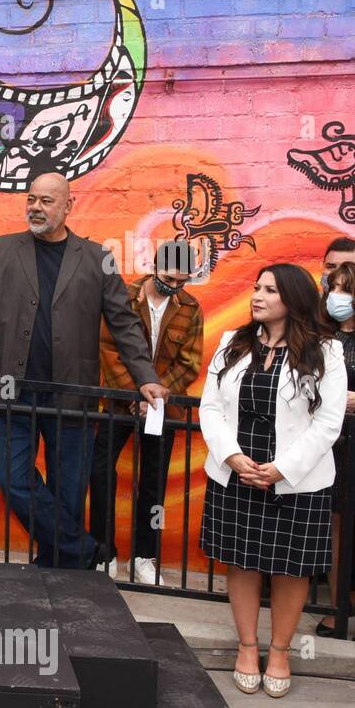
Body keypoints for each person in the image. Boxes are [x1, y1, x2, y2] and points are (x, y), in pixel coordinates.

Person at [0, 172, 167, 569]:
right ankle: (82, 551)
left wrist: (146, 377)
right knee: (14, 481)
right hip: (13, 391)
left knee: (68, 492)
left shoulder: (98, 256)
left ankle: (56, 568)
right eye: (31, 199)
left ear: (69, 205)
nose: (36, 206)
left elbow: (123, 322)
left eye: (47, 200)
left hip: (73, 394)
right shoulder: (2, 250)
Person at [199, 264, 345, 698]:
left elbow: (328, 422)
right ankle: (247, 646)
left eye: (270, 290)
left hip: (297, 480)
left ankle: (280, 652)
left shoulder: (326, 351)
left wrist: (282, 468)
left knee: (291, 568)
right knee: (240, 560)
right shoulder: (231, 343)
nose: (257, 296)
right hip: (237, 473)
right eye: (256, 287)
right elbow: (211, 408)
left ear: (294, 299)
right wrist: (232, 457)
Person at [89, 240, 205, 585]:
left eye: (182, 281)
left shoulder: (190, 307)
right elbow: (108, 350)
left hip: (161, 409)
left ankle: (145, 557)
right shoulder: (123, 297)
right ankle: (103, 554)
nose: (175, 285)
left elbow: (190, 364)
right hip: (119, 402)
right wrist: (136, 393)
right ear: (155, 266)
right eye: (170, 277)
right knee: (101, 474)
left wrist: (156, 394)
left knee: (153, 483)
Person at [319, 259, 355, 639]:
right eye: (334, 287)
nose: (337, 297)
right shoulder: (322, 336)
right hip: (331, 446)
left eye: (346, 288)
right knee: (336, 527)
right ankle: (337, 608)